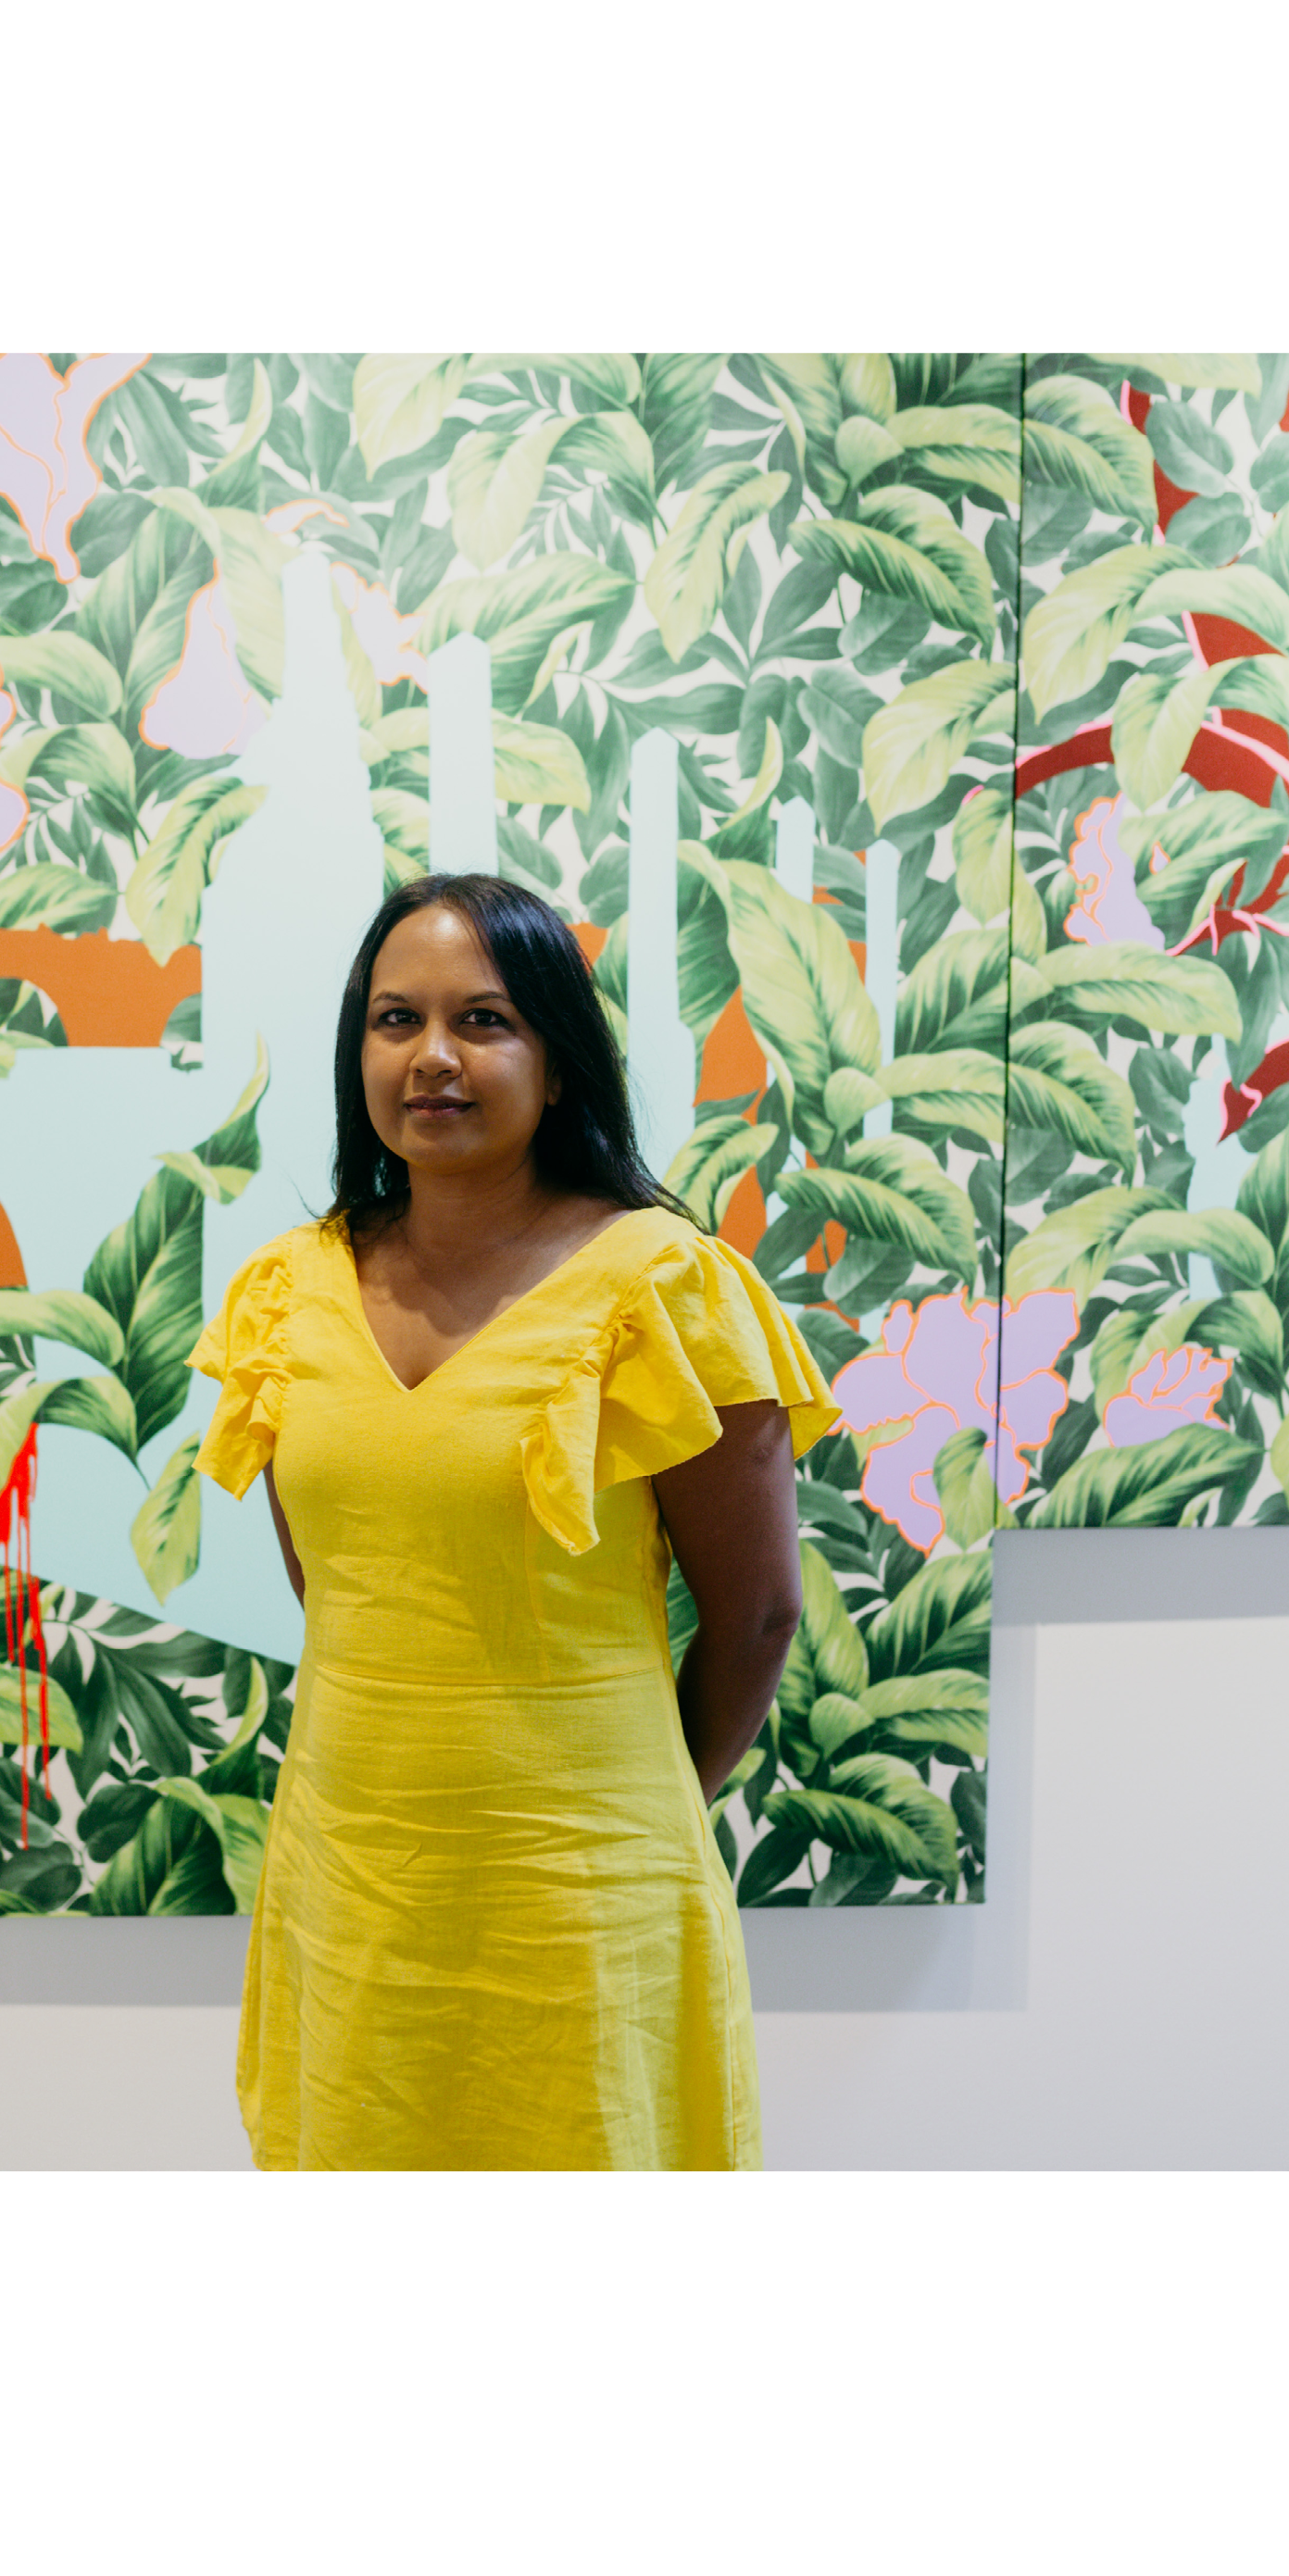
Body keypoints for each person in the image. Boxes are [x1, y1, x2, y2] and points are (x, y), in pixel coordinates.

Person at [185, 871, 837, 2169]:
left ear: (557, 1054)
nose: (432, 1057)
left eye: (484, 1019)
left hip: (584, 1903)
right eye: (394, 1020)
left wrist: (623, 1806)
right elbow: (344, 1584)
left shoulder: (664, 1283)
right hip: (354, 1890)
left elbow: (758, 1609)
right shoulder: (289, 1290)